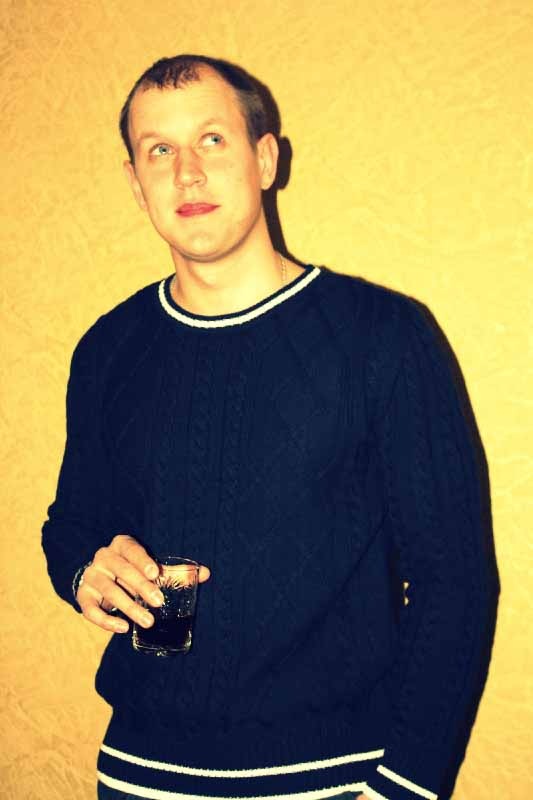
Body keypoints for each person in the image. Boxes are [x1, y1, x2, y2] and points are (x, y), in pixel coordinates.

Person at [41, 54, 499, 800]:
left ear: (264, 159)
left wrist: (404, 786)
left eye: (211, 140)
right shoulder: (108, 349)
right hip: (141, 774)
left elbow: (455, 580)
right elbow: (72, 524)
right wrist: (84, 570)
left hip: (334, 778)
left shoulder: (383, 336)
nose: (187, 173)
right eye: (159, 150)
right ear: (135, 182)